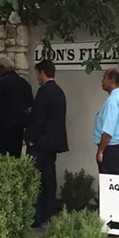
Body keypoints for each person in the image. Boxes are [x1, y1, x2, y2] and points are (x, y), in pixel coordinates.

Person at [25, 59, 68, 227]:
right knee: (50, 178)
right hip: (53, 143)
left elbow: (39, 119)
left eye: (37, 73)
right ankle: (48, 215)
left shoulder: (44, 92)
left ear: (42, 72)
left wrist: (30, 139)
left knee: (35, 179)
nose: (36, 76)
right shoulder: (59, 92)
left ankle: (35, 217)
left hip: (40, 143)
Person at [94, 68, 119, 175]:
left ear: (112, 80)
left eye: (104, 78)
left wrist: (100, 151)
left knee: (108, 187)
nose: (102, 81)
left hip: (112, 150)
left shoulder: (112, 101)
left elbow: (108, 131)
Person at [0, 56, 33, 157]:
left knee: (1, 162)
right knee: (14, 160)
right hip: (18, 132)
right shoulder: (25, 84)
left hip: (0, 133)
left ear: (2, 68)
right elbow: (30, 107)